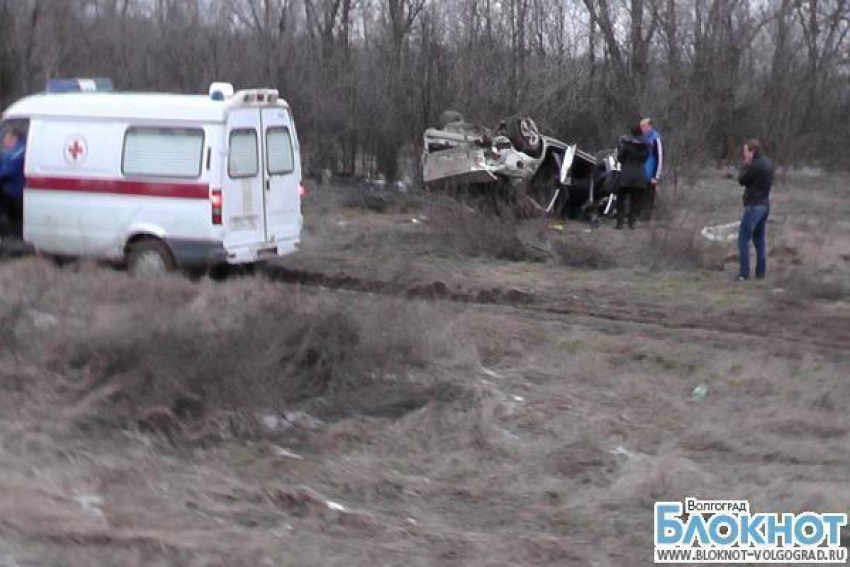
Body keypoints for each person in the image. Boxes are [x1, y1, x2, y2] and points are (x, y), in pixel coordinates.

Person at [736, 138, 774, 281]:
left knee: (743, 239)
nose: (744, 155)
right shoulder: (768, 163)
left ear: (752, 151)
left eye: (745, 151)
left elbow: (742, 180)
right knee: (759, 240)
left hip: (754, 205)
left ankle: (743, 274)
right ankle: (760, 273)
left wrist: (746, 166)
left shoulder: (754, 165)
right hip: (765, 204)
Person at [615, 125, 650, 230]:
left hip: (626, 176)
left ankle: (620, 223)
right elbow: (644, 160)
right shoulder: (645, 146)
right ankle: (631, 223)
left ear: (632, 134)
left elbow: (620, 158)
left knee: (620, 200)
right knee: (635, 201)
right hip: (639, 177)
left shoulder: (627, 145)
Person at [0, 126, 26, 238]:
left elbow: (5, 172)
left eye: (5, 138)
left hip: (16, 194)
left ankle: (8, 235)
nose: (3, 142)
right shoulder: (19, 149)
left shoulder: (18, 152)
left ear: (12, 138)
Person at [640, 118, 664, 220]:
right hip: (642, 173)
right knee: (641, 194)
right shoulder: (643, 138)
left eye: (644, 126)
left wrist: (656, 176)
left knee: (649, 195)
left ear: (650, 126)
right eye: (641, 126)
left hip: (651, 174)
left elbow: (660, 158)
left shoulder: (656, 138)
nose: (642, 128)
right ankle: (640, 214)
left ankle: (647, 217)